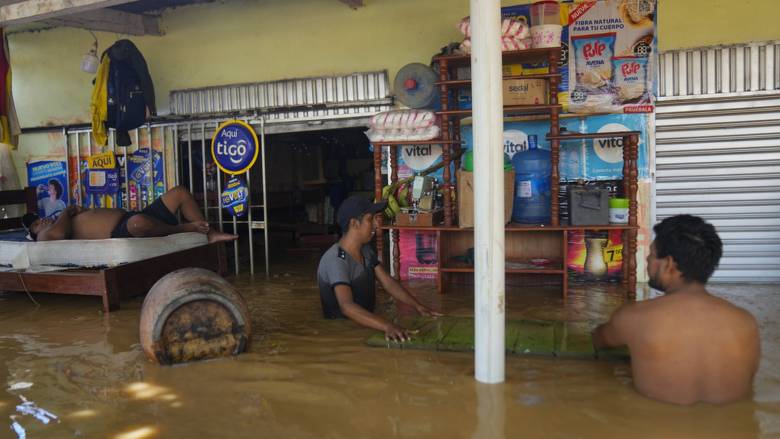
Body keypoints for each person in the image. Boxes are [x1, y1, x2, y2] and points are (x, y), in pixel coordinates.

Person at [592, 215, 760, 405]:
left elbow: (598, 340)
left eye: (652, 254)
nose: (647, 259)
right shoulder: (746, 322)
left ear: (669, 264)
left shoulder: (634, 318)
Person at [317, 195, 442, 343]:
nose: (376, 225)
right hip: (343, 335)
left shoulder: (366, 251)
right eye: (370, 220)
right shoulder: (336, 260)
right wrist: (387, 326)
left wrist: (418, 306)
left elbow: (388, 283)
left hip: (366, 325)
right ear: (354, 224)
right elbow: (347, 307)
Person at [22, 185, 237, 243]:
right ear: (34, 234)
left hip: (133, 214)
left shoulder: (63, 219)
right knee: (138, 224)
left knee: (179, 192)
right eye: (36, 225)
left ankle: (209, 233)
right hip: (124, 228)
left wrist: (81, 211)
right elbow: (58, 236)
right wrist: (69, 211)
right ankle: (182, 229)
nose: (40, 221)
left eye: (38, 218)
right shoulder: (45, 236)